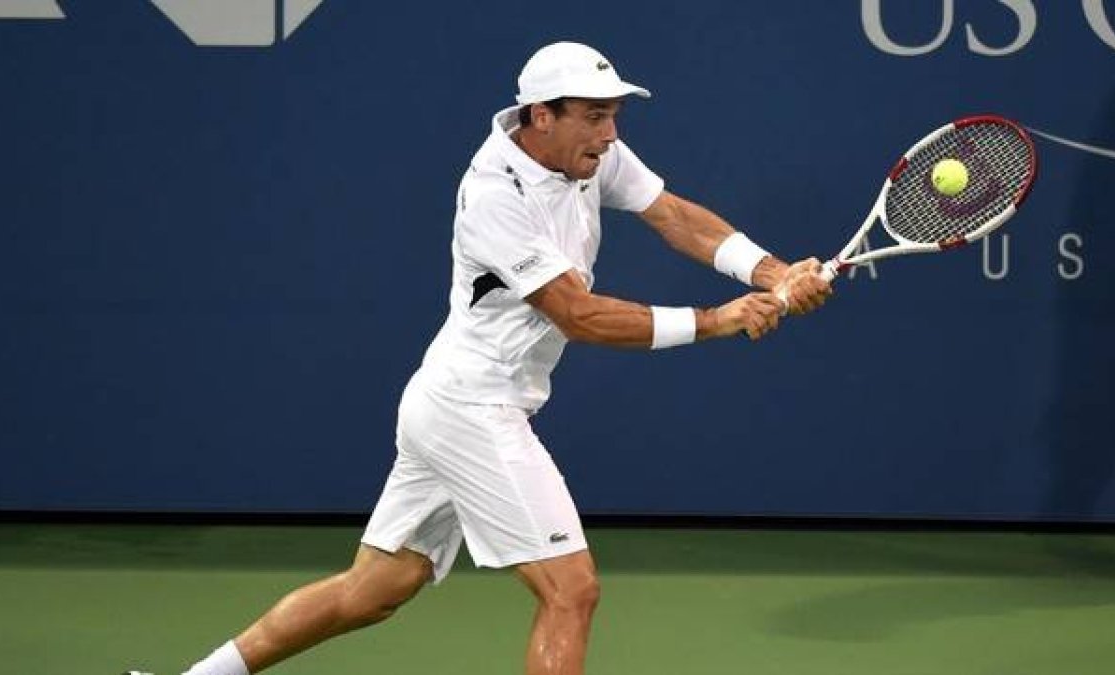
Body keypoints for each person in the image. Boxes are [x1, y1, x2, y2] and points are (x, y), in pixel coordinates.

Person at [135, 40, 831, 675]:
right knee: (571, 590)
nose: (610, 133)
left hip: (446, 399)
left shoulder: (593, 155)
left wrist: (767, 273)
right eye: (593, 116)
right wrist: (715, 320)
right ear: (540, 116)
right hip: (472, 409)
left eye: (613, 115)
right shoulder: (494, 195)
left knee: (372, 590)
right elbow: (576, 313)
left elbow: (673, 214)